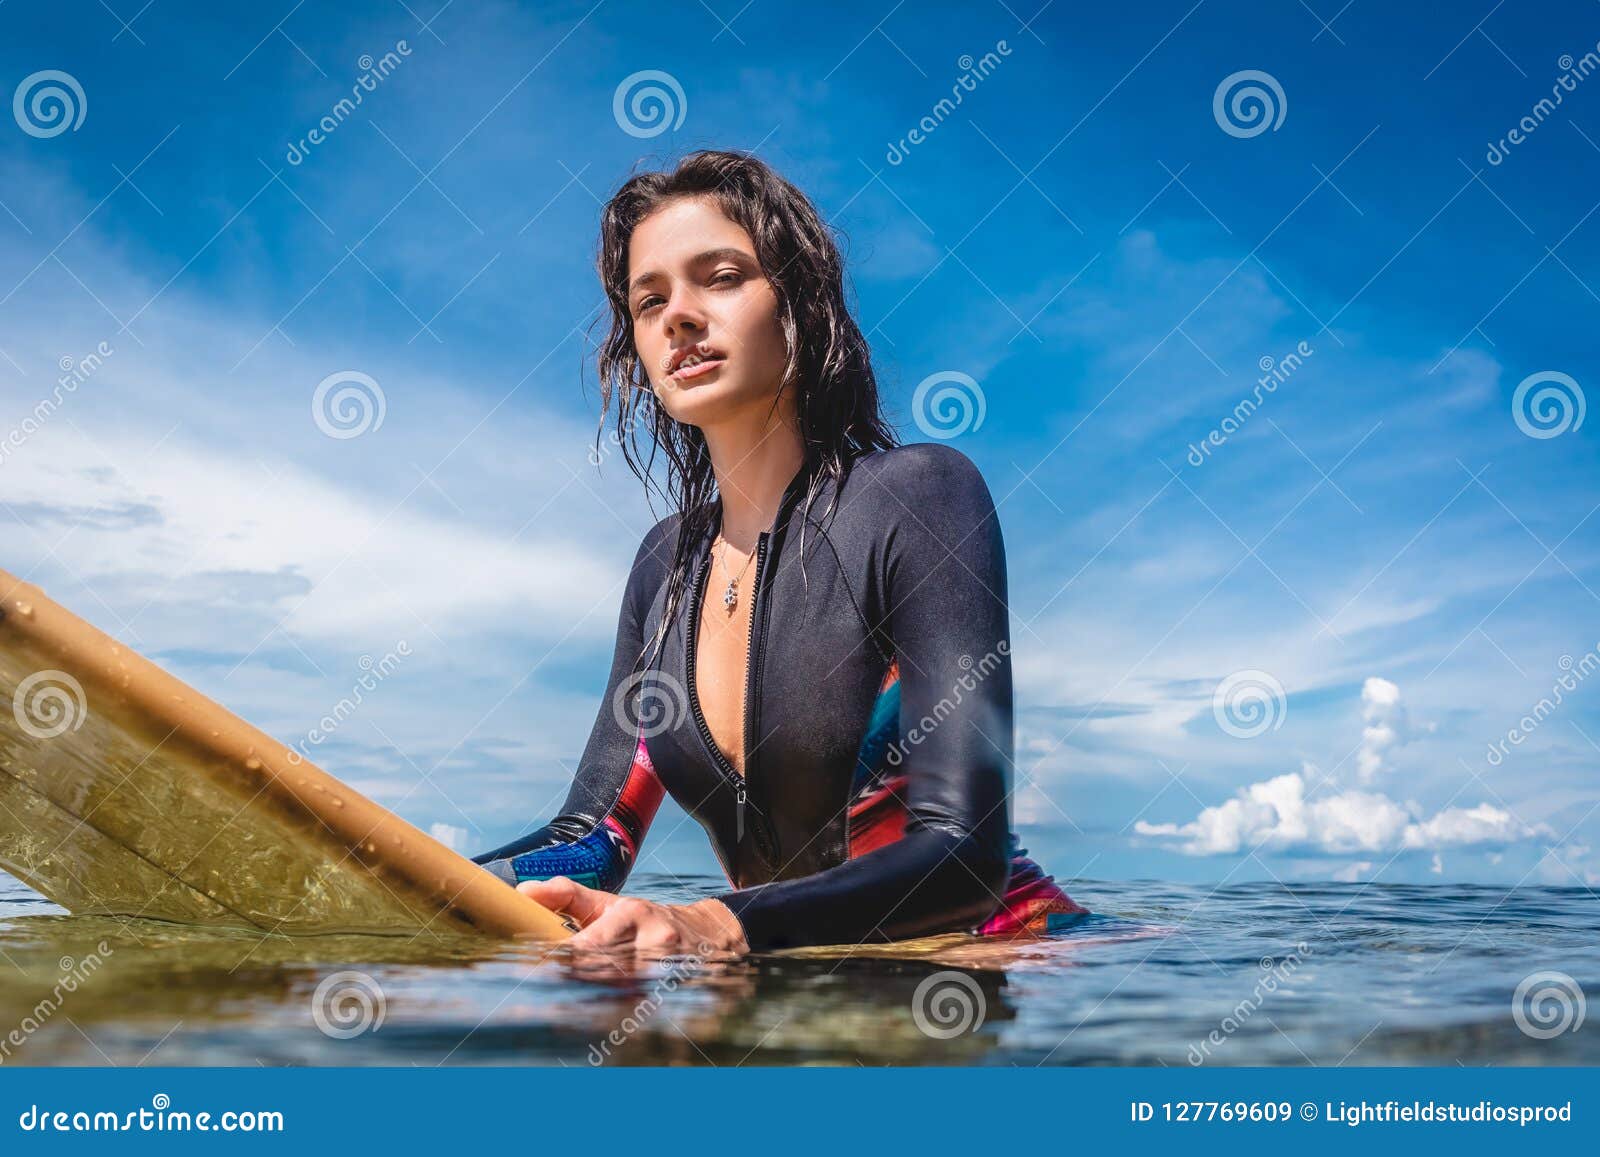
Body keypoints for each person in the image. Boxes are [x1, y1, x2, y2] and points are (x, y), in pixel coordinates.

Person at [472, 149, 1087, 958]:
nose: (677, 317)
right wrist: (395, 876)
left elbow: (963, 855)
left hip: (1021, 967)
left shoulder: (917, 498)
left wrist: (715, 922)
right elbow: (592, 838)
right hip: (800, 994)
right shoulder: (665, 572)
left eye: (720, 277)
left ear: (798, 302)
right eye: (648, 299)